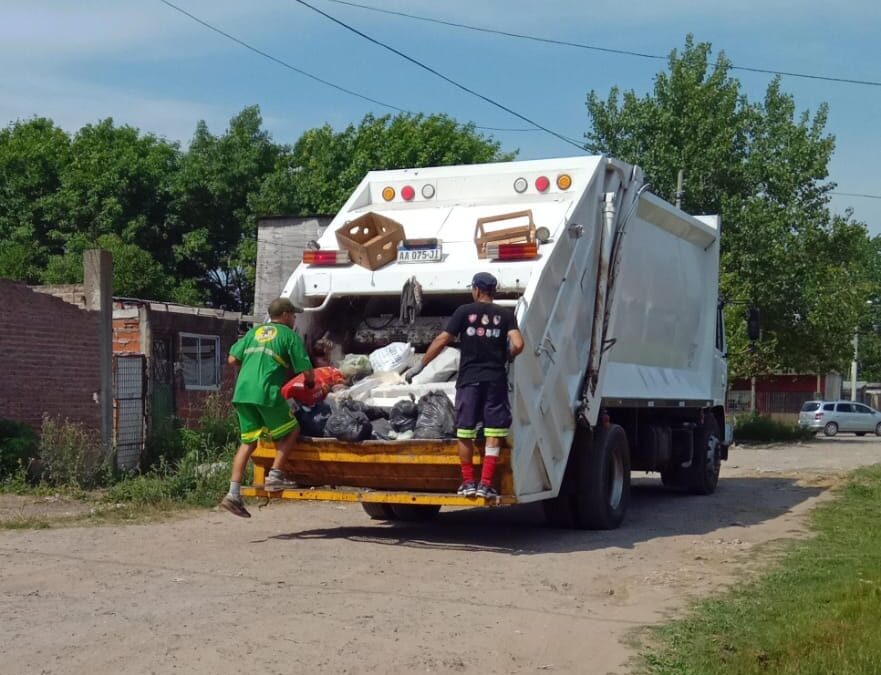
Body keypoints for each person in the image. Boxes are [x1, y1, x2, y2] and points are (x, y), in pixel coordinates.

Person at [405, 272, 524, 499]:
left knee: (465, 432)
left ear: (477, 290)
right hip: (495, 380)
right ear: (493, 291)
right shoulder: (505, 314)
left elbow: (442, 340)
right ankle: (486, 484)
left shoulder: (463, 312)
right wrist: (507, 356)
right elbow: (519, 344)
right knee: (494, 432)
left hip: (469, 380)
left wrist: (420, 365)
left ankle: (468, 482)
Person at [220, 297, 315, 518]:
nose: (294, 319)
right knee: (291, 430)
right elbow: (306, 369)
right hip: (266, 393)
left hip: (242, 393)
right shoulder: (289, 336)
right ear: (284, 315)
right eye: (293, 315)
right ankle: (276, 475)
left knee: (248, 442)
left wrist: (254, 365)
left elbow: (232, 359)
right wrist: (310, 383)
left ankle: (233, 494)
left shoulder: (253, 333)